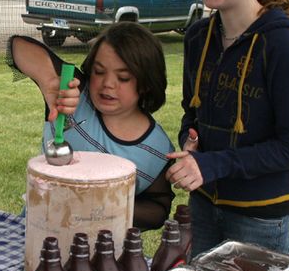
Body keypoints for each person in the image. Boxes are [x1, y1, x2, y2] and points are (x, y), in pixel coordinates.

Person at [166, 0, 289, 256]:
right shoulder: (197, 38)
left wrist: (212, 164)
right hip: (204, 205)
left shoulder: (282, 45)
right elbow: (192, 113)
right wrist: (190, 141)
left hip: (261, 216)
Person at [9, 22, 174, 229]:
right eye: (99, 71)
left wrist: (101, 200)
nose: (108, 84)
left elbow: (157, 212)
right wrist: (49, 80)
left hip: (102, 253)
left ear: (147, 83)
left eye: (123, 77)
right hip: (38, 232)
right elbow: (17, 46)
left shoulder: (157, 148)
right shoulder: (74, 96)